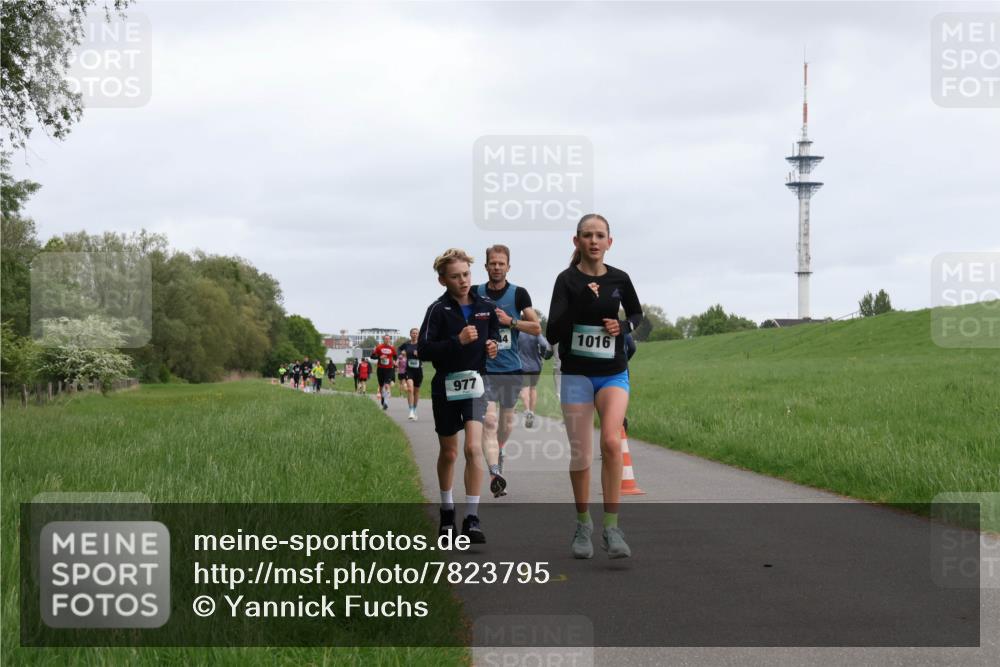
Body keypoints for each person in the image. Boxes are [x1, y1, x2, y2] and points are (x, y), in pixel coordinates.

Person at [546, 214, 642, 560]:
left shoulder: (620, 279)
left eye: (600, 235)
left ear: (609, 242)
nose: (593, 241)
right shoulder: (566, 280)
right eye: (587, 235)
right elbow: (552, 332)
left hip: (613, 372)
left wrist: (623, 327)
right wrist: (579, 306)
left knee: (612, 442)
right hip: (576, 374)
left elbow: (637, 316)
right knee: (582, 452)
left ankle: (612, 527)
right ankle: (583, 523)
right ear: (577, 242)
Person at [418, 248, 499, 543]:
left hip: (476, 384)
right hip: (446, 386)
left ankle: (473, 517)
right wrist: (457, 341)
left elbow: (494, 336)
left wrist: (492, 346)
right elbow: (425, 350)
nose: (463, 281)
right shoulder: (437, 310)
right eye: (455, 276)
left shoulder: (485, 307)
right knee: (450, 452)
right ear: (443, 280)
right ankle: (448, 511)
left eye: (466, 274)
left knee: (473, 449)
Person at [476, 244, 541, 498]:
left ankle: (499, 450)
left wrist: (510, 322)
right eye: (493, 263)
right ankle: (494, 472)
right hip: (484, 368)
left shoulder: (518, 294)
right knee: (489, 421)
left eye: (501, 263)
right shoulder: (476, 293)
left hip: (511, 368)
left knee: (505, 422)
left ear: (508, 267)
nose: (497, 267)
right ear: (486, 266)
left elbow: (536, 328)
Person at [517, 330, 552, 428]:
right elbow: (544, 344)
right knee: (533, 388)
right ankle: (532, 412)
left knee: (525, 388)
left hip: (522, 365)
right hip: (536, 366)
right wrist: (542, 355)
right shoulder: (536, 331)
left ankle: (527, 410)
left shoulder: (519, 332)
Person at [398, 327, 423, 420]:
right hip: (409, 370)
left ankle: (415, 409)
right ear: (410, 334)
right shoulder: (407, 344)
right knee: (410, 389)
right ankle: (411, 411)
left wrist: (420, 354)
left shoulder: (421, 344)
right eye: (413, 333)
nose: (414, 334)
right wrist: (400, 354)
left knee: (416, 391)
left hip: (418, 371)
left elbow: (427, 354)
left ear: (418, 335)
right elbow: (399, 349)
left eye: (416, 333)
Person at [371, 335, 397, 410]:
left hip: (389, 369)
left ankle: (386, 402)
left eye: (388, 339)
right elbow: (372, 356)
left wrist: (395, 361)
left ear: (390, 340)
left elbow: (395, 356)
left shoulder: (392, 348)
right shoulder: (379, 347)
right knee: (381, 386)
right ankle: (383, 400)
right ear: (383, 339)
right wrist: (379, 357)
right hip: (380, 369)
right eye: (385, 339)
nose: (387, 340)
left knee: (386, 385)